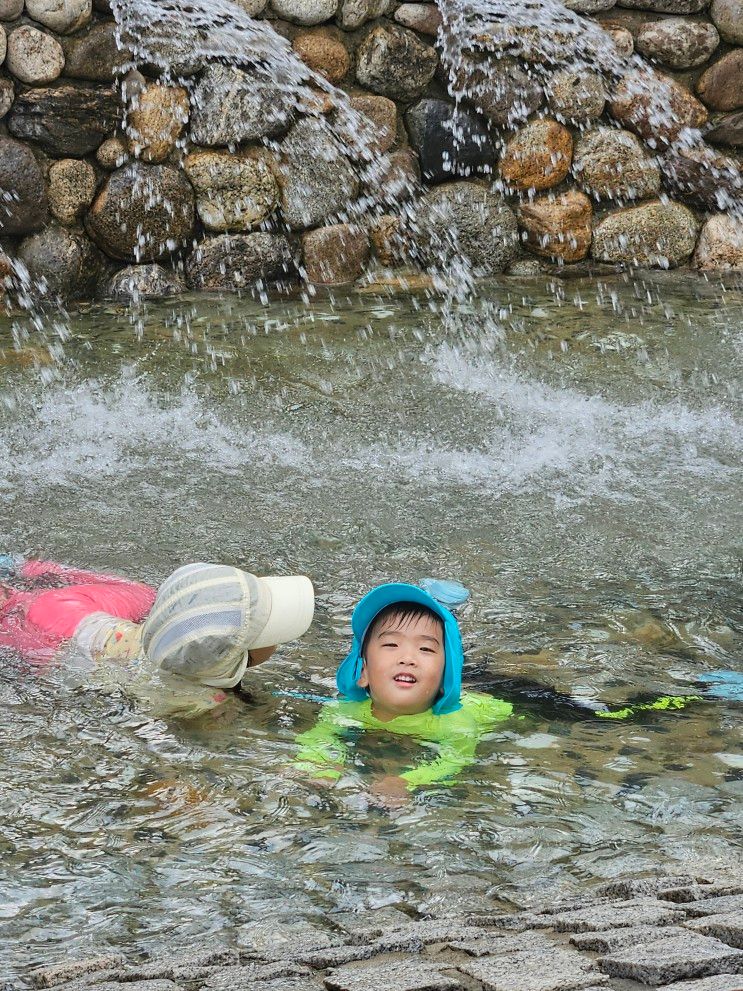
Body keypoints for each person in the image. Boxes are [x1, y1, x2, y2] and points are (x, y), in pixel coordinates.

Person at [293, 582, 737, 803]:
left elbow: (454, 758)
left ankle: (702, 692)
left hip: (512, 697)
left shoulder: (455, 720)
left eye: (426, 650)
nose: (407, 658)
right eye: (390, 646)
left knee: (602, 720)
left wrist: (407, 781)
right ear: (363, 673)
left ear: (446, 676)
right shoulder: (348, 708)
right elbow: (320, 740)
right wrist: (317, 766)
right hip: (465, 679)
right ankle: (438, 600)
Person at [0, 555, 314, 718]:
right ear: (235, 659)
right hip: (60, 645)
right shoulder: (208, 701)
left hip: (74, 637)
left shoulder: (167, 631)